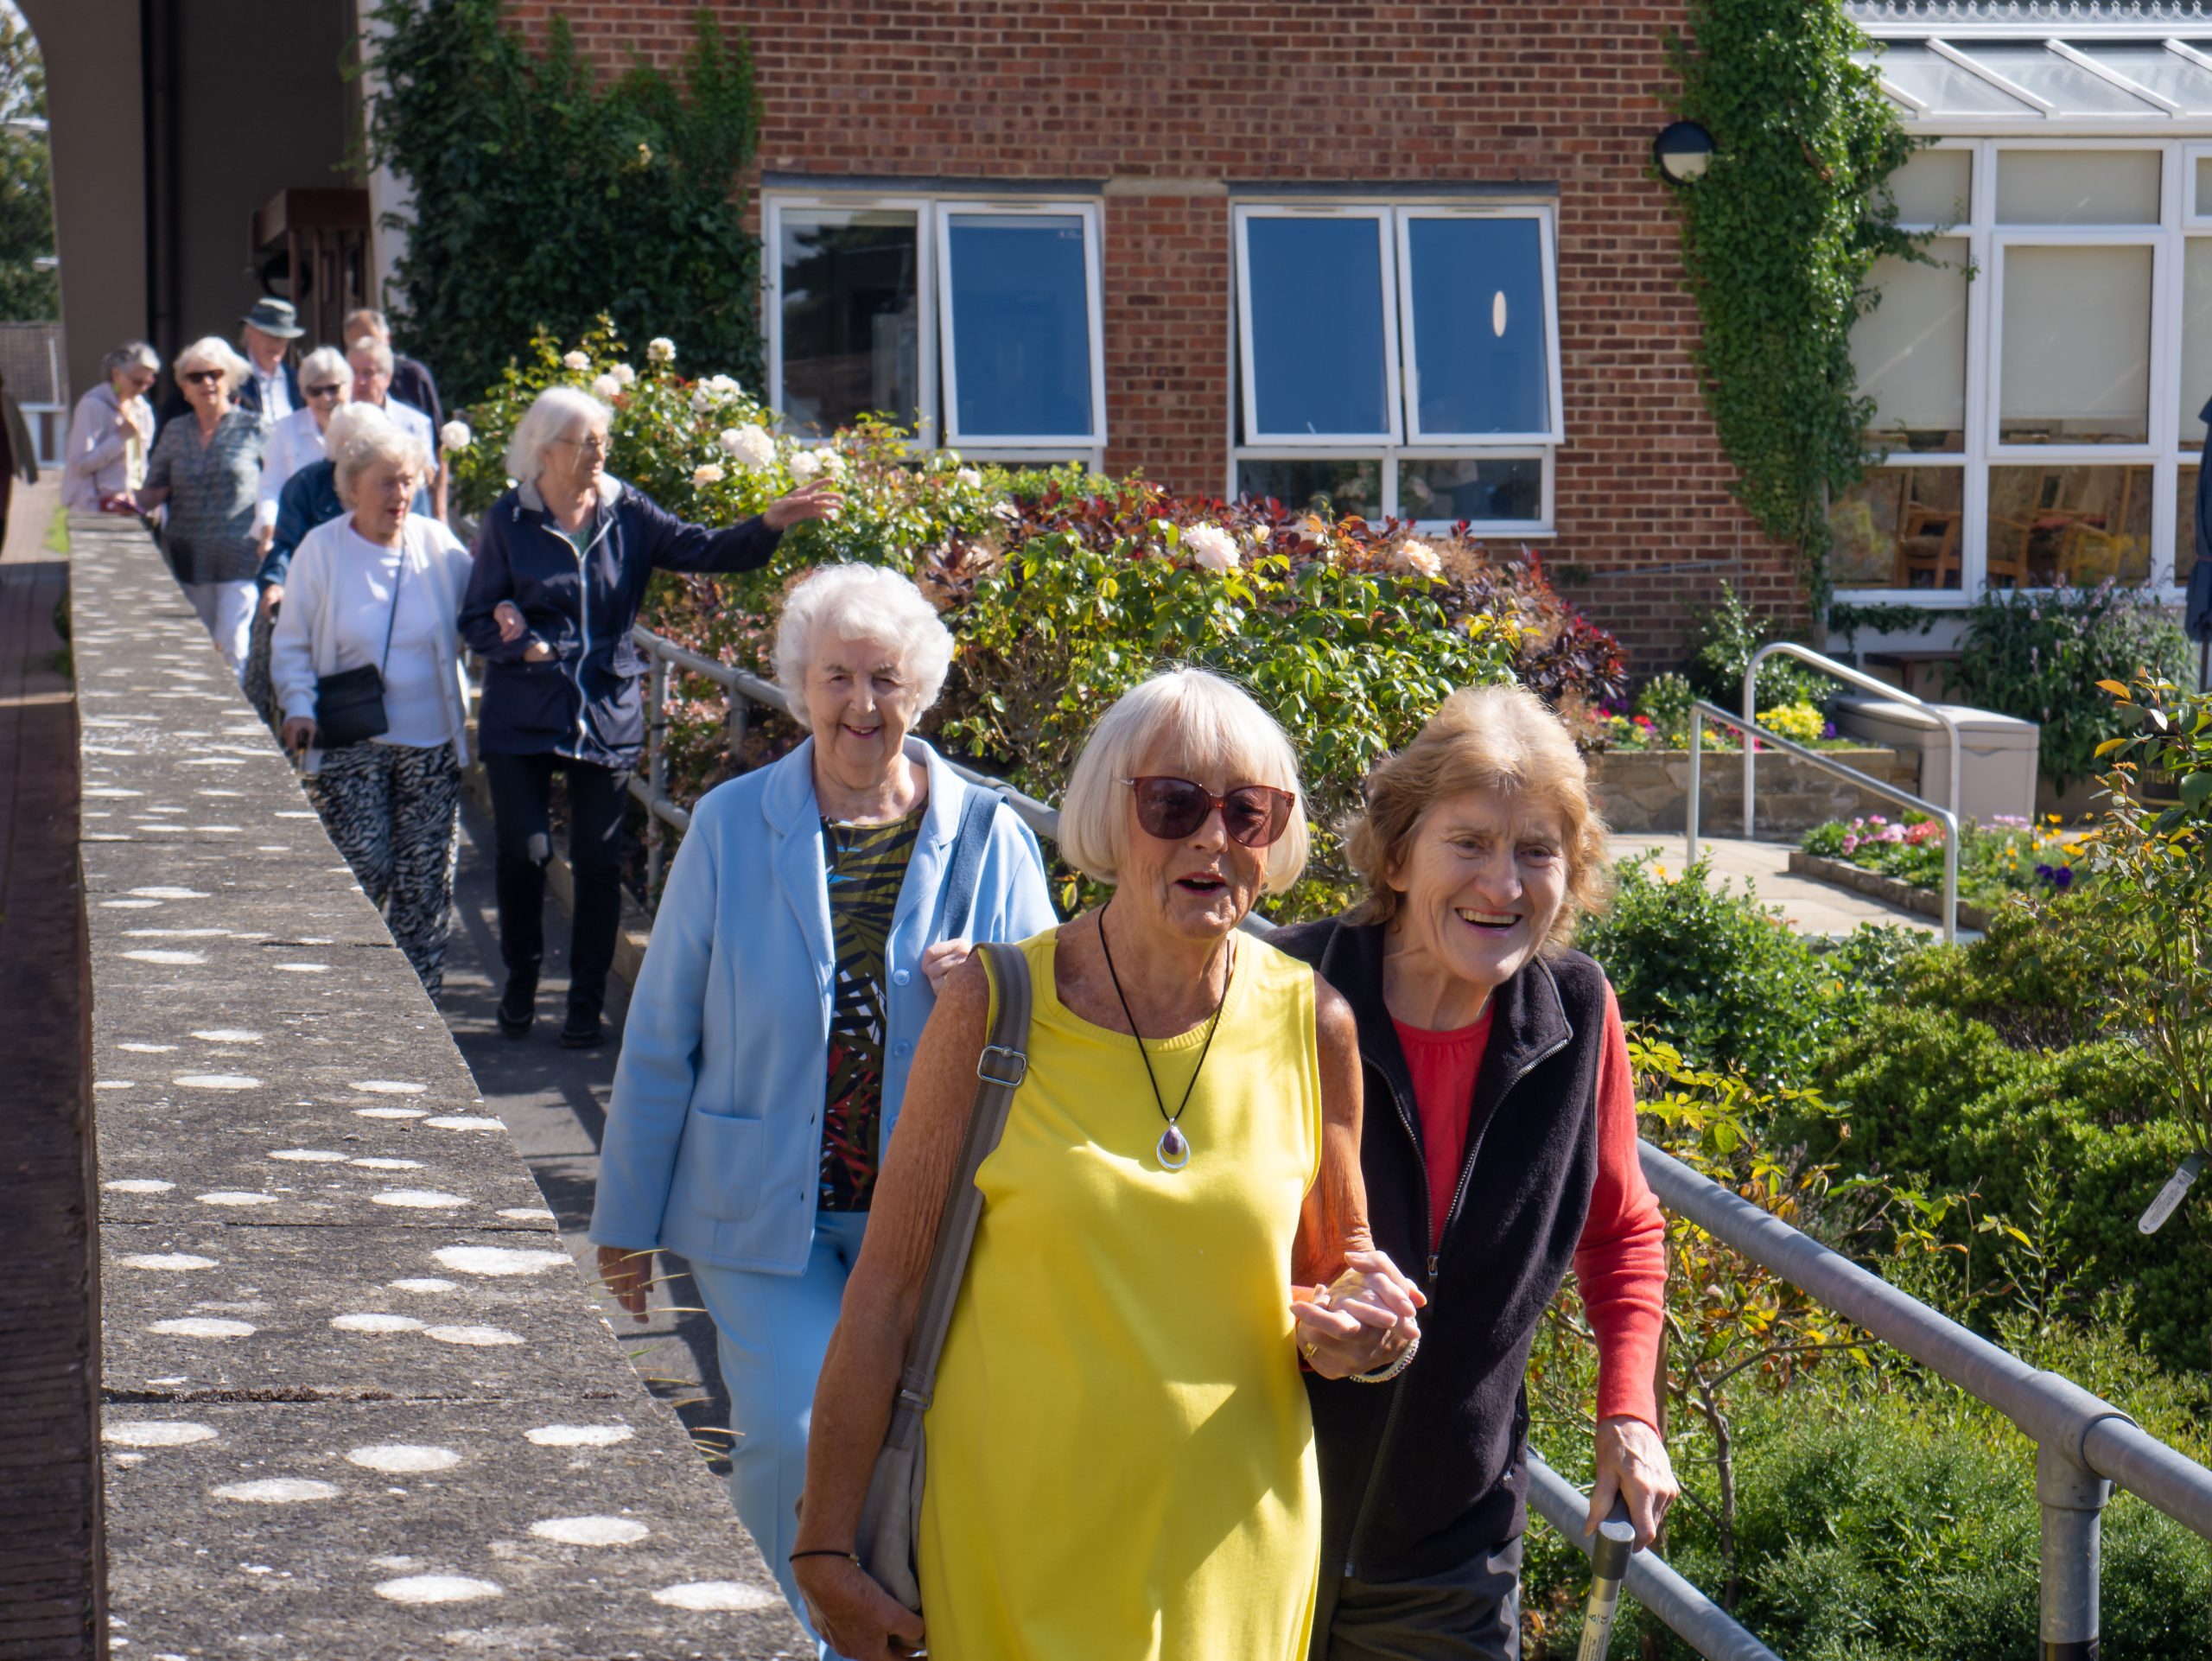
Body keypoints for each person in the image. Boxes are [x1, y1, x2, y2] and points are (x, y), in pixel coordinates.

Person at [797, 668, 1427, 1661]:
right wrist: (825, 1542)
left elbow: (1335, 1278)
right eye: (1172, 803)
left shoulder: (1315, 1022)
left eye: (1247, 812)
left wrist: (1369, 1332)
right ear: (1107, 811)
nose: (1211, 838)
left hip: (1232, 1551)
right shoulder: (995, 1004)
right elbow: (884, 1292)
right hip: (1010, 1538)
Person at [589, 563, 1060, 1645]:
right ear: (798, 684)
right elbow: (663, 1031)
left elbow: (1053, 1024)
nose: (861, 706)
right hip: (763, 1209)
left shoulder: (993, 837)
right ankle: (782, 1631)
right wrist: (624, 1221)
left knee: (926, 1444)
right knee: (795, 1433)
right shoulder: (728, 822)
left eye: (885, 679)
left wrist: (984, 992)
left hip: (932, 1212)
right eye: (835, 676)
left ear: (922, 690)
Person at [1269, 684, 1675, 1660]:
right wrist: (1289, 1309)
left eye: (1537, 850)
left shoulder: (1575, 1011)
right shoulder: (1282, 995)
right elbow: (1178, 1249)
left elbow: (1620, 1228)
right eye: (1469, 842)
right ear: (1399, 850)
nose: (1503, 884)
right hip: (1254, 1519)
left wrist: (1628, 1409)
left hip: (1452, 1548)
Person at [458, 385, 840, 1049]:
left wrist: (770, 523)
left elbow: (702, 549)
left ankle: (583, 1006)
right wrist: (518, 641)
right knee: (525, 849)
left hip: (604, 710)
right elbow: (474, 620)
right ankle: (520, 981)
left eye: (604, 439)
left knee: (600, 862)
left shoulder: (624, 510)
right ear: (546, 451)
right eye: (586, 442)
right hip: (524, 711)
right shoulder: (509, 521)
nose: (600, 451)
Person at [271, 419, 474, 996]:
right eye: (386, 483)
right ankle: (356, 989)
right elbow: (291, 642)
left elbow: (482, 600)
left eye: (408, 482)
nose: (400, 496)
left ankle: (421, 1004)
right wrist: (298, 705)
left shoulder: (436, 545)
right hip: (351, 739)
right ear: (353, 487)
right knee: (365, 866)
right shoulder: (323, 549)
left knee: (426, 881)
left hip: (432, 742)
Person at [244, 401, 390, 728]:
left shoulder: (395, 487)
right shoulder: (308, 484)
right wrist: (273, 584)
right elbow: (285, 543)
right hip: (315, 597)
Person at [133, 336, 268, 678]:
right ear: (184, 388)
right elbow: (154, 488)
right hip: (189, 557)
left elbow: (279, 485)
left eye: (215, 374)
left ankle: (229, 719)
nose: (207, 382)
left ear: (229, 378)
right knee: (198, 648)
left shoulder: (254, 428)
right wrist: (118, 501)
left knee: (233, 646)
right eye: (196, 377)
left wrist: (271, 528)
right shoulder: (176, 431)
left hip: (240, 556)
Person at [256, 345, 352, 549]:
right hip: (301, 536)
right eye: (315, 391)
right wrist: (268, 530)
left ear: (348, 387)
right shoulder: (286, 430)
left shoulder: (365, 425)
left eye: (333, 388)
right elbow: (271, 486)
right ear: (303, 394)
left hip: (352, 534)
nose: (326, 398)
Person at [347, 337, 442, 521]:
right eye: (353, 372)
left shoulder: (414, 424)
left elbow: (427, 476)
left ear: (387, 378)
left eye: (368, 373)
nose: (360, 381)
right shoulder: (338, 420)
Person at [62, 342, 159, 512]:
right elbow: (79, 466)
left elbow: (140, 464)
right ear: (116, 374)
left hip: (128, 508)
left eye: (148, 382)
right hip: (93, 511)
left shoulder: (143, 410)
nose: (142, 389)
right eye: (137, 382)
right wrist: (120, 440)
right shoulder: (92, 407)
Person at [344, 307, 442, 434]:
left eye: (372, 341)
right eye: (358, 344)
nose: (365, 350)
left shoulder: (413, 375)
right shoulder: (339, 382)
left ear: (387, 339)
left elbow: (436, 438)